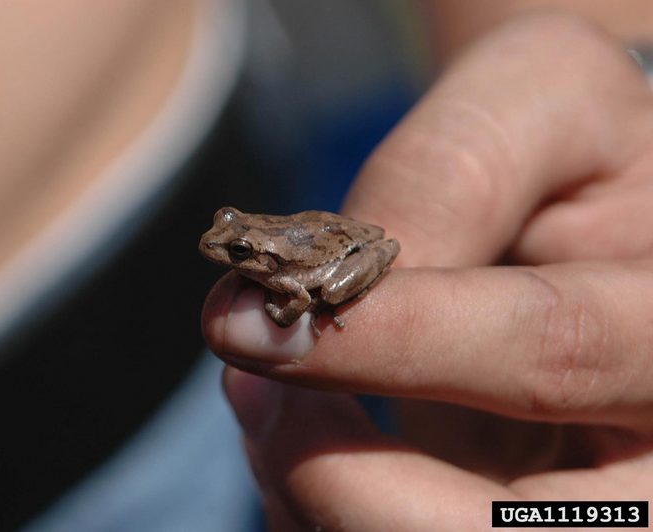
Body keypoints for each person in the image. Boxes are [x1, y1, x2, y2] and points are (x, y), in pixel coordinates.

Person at [203, 3, 653, 529]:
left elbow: (297, 299)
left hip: (325, 245)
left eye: (234, 250)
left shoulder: (279, 261)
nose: (217, 247)